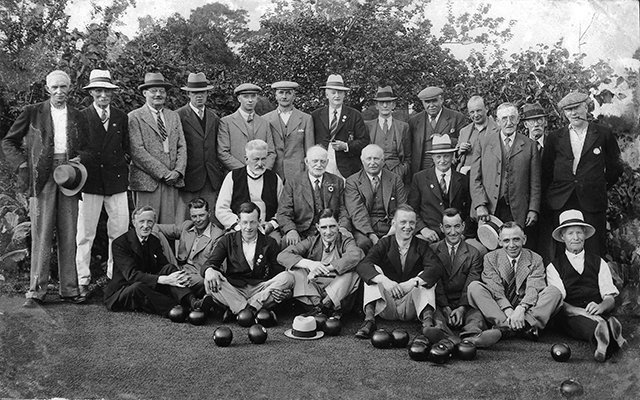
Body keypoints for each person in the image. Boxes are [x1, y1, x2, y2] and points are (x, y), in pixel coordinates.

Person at [3, 70, 89, 307]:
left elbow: (88, 147)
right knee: (41, 232)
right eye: (55, 88)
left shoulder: (78, 115)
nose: (59, 92)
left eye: (64, 87)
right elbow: (9, 141)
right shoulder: (33, 112)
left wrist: (80, 159)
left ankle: (69, 289)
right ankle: (36, 291)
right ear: (47, 89)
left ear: (69, 89)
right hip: (42, 177)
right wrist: (23, 165)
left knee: (68, 231)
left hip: (70, 175)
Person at [541, 92, 623, 257]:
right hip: (562, 200)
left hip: (592, 200)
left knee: (594, 247)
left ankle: (593, 282)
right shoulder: (554, 137)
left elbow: (616, 167)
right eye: (568, 110)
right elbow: (546, 171)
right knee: (562, 248)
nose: (573, 113)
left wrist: (598, 185)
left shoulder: (603, 134)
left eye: (576, 107)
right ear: (564, 113)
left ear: (586, 107)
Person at [546, 209, 627, 362]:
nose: (575, 238)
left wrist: (601, 307)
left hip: (596, 310)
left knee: (603, 318)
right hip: (571, 314)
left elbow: (609, 297)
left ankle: (608, 335)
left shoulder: (599, 262)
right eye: (570, 233)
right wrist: (582, 312)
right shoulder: (553, 266)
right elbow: (559, 302)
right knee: (586, 325)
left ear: (585, 235)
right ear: (562, 237)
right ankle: (604, 339)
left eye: (579, 232)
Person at [354, 205, 445, 339]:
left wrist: (412, 282)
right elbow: (363, 265)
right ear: (394, 223)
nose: (408, 227)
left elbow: (436, 268)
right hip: (386, 305)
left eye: (412, 223)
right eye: (403, 222)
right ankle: (369, 320)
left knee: (424, 276)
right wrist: (384, 280)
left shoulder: (422, 245)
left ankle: (427, 324)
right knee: (374, 271)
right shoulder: (384, 243)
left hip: (411, 306)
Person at [104, 206, 213, 316]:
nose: (146, 226)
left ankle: (193, 302)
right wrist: (163, 279)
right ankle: (176, 308)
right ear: (133, 222)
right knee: (138, 287)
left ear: (154, 223)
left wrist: (176, 276)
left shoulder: (154, 240)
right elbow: (131, 275)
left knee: (169, 268)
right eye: (141, 221)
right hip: (124, 290)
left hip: (146, 283)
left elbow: (163, 266)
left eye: (150, 222)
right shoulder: (120, 243)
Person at [75, 69, 130, 288]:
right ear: (91, 93)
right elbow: (77, 148)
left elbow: (126, 146)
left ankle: (114, 275)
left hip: (116, 180)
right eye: (99, 91)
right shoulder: (81, 116)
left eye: (107, 91)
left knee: (119, 231)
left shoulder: (120, 116)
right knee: (86, 232)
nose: (103, 95)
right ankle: (82, 277)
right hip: (90, 181)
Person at [467, 222, 563, 343]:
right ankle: (521, 327)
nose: (511, 245)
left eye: (516, 239)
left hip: (526, 308)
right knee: (474, 287)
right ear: (500, 241)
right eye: (506, 240)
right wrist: (509, 311)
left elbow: (533, 289)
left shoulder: (535, 259)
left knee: (554, 292)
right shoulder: (490, 258)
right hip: (500, 308)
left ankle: (506, 329)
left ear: (524, 239)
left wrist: (521, 309)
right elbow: (495, 290)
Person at [202, 202, 294, 319]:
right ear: (238, 221)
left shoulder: (269, 242)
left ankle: (238, 310)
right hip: (234, 288)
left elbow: (278, 272)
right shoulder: (227, 239)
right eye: (245, 222)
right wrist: (209, 270)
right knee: (209, 280)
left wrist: (282, 292)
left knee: (288, 277)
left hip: (260, 289)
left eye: (253, 222)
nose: (248, 227)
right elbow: (210, 262)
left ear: (259, 221)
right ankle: (252, 310)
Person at [424, 208, 500, 348]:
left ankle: (472, 337)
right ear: (441, 228)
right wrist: (446, 306)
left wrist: (461, 308)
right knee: (434, 313)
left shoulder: (473, 253)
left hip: (464, 301)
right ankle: (443, 335)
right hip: (441, 301)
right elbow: (436, 282)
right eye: (448, 227)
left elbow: (471, 282)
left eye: (457, 226)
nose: (453, 232)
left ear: (463, 226)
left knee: (476, 316)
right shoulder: (432, 250)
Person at [470, 102, 541, 249]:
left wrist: (533, 209)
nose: (509, 122)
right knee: (492, 249)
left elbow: (535, 182)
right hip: (491, 207)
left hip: (518, 208)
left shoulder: (529, 145)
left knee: (516, 247)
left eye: (512, 118)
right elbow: (475, 178)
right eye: (504, 119)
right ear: (497, 121)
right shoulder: (483, 142)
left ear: (518, 119)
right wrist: (479, 204)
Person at [278, 208, 364, 318]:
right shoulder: (311, 241)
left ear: (338, 225)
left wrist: (327, 268)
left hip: (338, 289)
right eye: (324, 227)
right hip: (315, 291)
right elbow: (283, 256)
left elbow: (356, 254)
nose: (328, 232)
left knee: (354, 272)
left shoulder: (346, 241)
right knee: (294, 269)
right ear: (318, 228)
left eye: (332, 226)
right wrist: (310, 264)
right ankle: (319, 307)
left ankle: (323, 307)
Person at [128, 72, 186, 224]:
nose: (158, 94)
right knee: (146, 225)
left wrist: (178, 172)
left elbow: (182, 146)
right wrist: (164, 173)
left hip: (172, 182)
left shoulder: (173, 116)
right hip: (148, 181)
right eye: (153, 91)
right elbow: (137, 151)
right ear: (144, 93)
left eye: (162, 91)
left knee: (169, 228)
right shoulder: (134, 117)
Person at [175, 72, 225, 223]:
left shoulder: (213, 117)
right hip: (189, 177)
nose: (199, 96)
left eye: (202, 92)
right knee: (186, 220)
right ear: (188, 94)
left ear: (207, 94)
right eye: (195, 93)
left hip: (210, 177)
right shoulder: (179, 116)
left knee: (210, 218)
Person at [277, 145, 349, 246]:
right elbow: (283, 212)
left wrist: (343, 228)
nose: (319, 165)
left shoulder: (337, 182)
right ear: (307, 162)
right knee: (287, 241)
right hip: (303, 232)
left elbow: (343, 210)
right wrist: (291, 230)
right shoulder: (294, 182)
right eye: (315, 161)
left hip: (330, 231)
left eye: (322, 161)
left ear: (327, 162)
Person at [408, 134, 473, 244]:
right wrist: (423, 229)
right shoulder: (420, 178)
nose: (442, 160)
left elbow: (470, 211)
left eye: (446, 156)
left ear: (452, 156)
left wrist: (462, 233)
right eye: (438, 157)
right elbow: (412, 210)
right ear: (433, 158)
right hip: (430, 234)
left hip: (456, 234)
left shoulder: (463, 180)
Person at [156, 198, 225, 298]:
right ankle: (178, 290)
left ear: (209, 213)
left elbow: (217, 265)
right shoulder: (187, 226)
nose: (197, 220)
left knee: (202, 281)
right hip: (178, 267)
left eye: (201, 215)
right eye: (194, 216)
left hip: (199, 273)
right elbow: (157, 227)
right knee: (157, 233)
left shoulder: (217, 235)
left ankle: (169, 286)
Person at [216, 140, 283, 239]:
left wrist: (272, 224)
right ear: (246, 159)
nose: (260, 164)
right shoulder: (233, 177)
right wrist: (238, 226)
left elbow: (284, 209)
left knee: (275, 244)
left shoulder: (274, 178)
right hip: (238, 229)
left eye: (263, 159)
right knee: (231, 246)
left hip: (267, 230)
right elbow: (221, 209)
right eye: (256, 159)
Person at [345, 144, 407, 252]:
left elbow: (402, 208)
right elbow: (357, 212)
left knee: (396, 244)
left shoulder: (395, 179)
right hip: (364, 229)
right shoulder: (353, 182)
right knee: (363, 244)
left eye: (376, 159)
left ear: (383, 161)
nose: (372, 163)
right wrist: (371, 235)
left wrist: (390, 233)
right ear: (362, 161)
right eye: (369, 159)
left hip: (391, 227)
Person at [312, 74, 369, 180]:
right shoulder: (315, 115)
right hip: (322, 166)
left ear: (344, 95)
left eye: (340, 92)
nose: (337, 95)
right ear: (326, 94)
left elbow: (364, 141)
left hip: (347, 169)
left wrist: (346, 146)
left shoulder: (354, 115)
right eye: (333, 92)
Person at [263, 81, 314, 182]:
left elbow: (310, 150)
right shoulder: (265, 119)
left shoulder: (306, 119)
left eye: (288, 93)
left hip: (298, 172)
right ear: (276, 96)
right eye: (281, 93)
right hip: (274, 171)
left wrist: (308, 172)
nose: (284, 96)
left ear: (294, 96)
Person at [217, 83, 276, 171]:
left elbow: (271, 153)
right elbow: (223, 153)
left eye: (253, 96)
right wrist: (245, 171)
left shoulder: (264, 123)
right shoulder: (226, 122)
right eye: (246, 96)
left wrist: (263, 170)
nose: (250, 100)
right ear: (239, 99)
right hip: (236, 175)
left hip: (261, 175)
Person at [409, 86, 466, 175]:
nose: (431, 105)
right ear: (422, 103)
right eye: (427, 102)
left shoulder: (457, 117)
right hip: (421, 171)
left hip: (447, 169)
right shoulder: (414, 121)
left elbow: (463, 142)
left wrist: (446, 139)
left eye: (434, 101)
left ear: (441, 100)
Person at [521, 102, 553, 262]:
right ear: (526, 124)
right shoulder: (520, 147)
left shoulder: (554, 145)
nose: (536, 124)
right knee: (528, 248)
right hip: (527, 208)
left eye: (539, 119)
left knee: (549, 249)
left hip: (551, 207)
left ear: (545, 122)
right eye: (532, 121)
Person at [364, 86, 411, 184]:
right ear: (377, 106)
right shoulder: (368, 126)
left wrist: (403, 169)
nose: (385, 105)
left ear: (393, 105)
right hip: (373, 170)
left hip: (396, 171)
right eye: (381, 103)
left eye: (388, 102)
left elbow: (408, 155)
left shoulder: (403, 127)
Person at [457, 96, 498, 175]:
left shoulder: (498, 130)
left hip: (488, 174)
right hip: (465, 175)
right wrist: (460, 151)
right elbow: (456, 158)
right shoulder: (464, 131)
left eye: (478, 111)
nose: (475, 115)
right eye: (472, 112)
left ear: (486, 109)